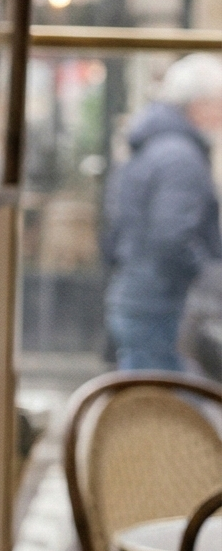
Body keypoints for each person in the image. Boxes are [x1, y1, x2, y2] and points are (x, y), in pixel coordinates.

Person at [101, 54, 222, 375]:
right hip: (161, 299)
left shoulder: (151, 145)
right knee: (163, 393)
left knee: (147, 388)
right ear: (199, 104)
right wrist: (207, 275)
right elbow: (171, 237)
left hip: (138, 292)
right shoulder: (180, 156)